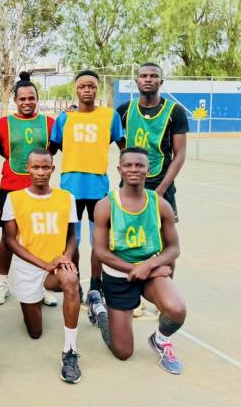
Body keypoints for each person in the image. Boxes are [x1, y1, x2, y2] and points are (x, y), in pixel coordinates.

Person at [90, 147, 186, 375]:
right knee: (123, 352)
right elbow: (101, 252)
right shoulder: (106, 205)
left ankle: (161, 340)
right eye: (128, 165)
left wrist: (148, 266)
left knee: (177, 310)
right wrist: (137, 268)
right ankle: (100, 310)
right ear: (119, 170)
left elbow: (174, 248)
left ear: (148, 169)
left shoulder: (160, 204)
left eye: (139, 165)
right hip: (118, 275)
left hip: (149, 272)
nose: (134, 169)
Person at [1, 149, 82, 384]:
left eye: (46, 167)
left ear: (53, 169)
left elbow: (70, 237)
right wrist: (45, 263)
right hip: (29, 267)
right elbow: (10, 241)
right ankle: (35, 298)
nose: (41, 172)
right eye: (35, 167)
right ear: (27, 169)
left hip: (56, 267)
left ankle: (70, 350)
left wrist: (65, 259)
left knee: (71, 281)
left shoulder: (66, 198)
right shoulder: (14, 198)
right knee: (35, 332)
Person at [49, 69, 124, 302]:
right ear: (76, 89)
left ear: (97, 88)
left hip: (97, 186)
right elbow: (51, 150)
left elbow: (123, 146)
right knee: (74, 239)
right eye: (82, 86)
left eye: (91, 86)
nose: (87, 90)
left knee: (98, 240)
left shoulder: (110, 117)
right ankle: (76, 279)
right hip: (70, 186)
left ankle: (95, 284)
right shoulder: (64, 118)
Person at [0, 72, 57, 307]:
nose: (27, 102)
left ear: (37, 99)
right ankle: (4, 283)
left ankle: (41, 284)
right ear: (15, 101)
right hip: (10, 186)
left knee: (39, 236)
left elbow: (52, 151)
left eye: (31, 98)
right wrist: (12, 157)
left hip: (39, 189)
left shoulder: (48, 123)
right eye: (22, 99)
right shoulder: (2, 124)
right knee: (8, 237)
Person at [117, 62, 187, 223]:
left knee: (163, 235)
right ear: (137, 81)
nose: (148, 79)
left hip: (161, 182)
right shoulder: (124, 109)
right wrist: (126, 151)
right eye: (143, 76)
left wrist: (161, 190)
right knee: (128, 230)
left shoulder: (175, 111)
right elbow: (113, 135)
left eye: (154, 76)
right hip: (130, 183)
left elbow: (180, 154)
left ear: (161, 82)